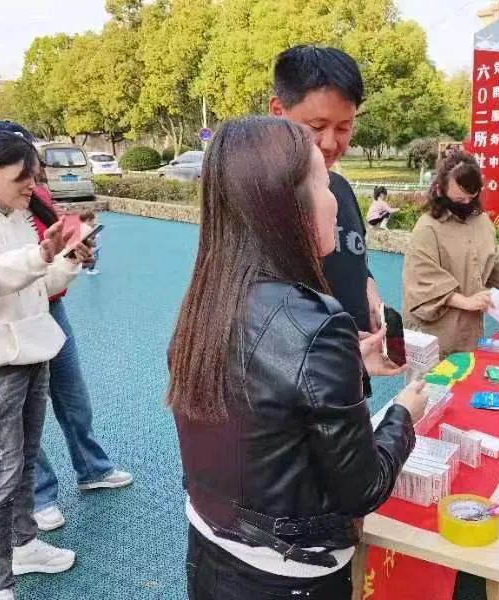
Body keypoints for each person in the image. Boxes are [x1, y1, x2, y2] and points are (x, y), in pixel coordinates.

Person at [168, 116, 427, 600]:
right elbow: (362, 488)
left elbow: (261, 399)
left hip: (208, 549)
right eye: (324, 185)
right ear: (289, 205)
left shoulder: (208, 296)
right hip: (290, 572)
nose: (335, 201)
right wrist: (403, 416)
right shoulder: (317, 322)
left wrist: (350, 366)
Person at [0, 120, 91, 600]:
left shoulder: (11, 214)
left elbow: (36, 283)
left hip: (31, 352)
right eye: (23, 176)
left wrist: (68, 259)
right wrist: (40, 255)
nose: (31, 186)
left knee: (23, 465)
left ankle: (25, 545)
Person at [270, 45, 401, 395]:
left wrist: (369, 291)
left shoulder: (340, 188)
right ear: (278, 111)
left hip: (352, 371)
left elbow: (355, 257)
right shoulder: (262, 201)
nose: (330, 143)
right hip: (300, 392)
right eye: (317, 126)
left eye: (344, 127)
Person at [27, 187, 133, 533]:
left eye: (32, 171)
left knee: (72, 395)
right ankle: (39, 495)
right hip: (11, 317)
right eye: (21, 174)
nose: (30, 181)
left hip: (51, 307)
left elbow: (58, 240)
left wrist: (75, 251)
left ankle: (92, 469)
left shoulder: (35, 194)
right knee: (23, 413)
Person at [401, 150, 499, 357]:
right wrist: (467, 302)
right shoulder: (428, 228)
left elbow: (486, 260)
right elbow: (422, 281)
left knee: (468, 372)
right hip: (435, 333)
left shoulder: (481, 221)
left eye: (472, 197)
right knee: (434, 377)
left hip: (469, 329)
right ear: (440, 190)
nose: (467, 204)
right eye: (459, 199)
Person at [78, 210, 100, 275]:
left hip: (85, 247)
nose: (94, 222)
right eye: (93, 220)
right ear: (88, 220)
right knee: (94, 257)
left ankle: (90, 268)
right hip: (87, 247)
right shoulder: (88, 228)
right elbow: (89, 238)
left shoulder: (83, 225)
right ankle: (90, 270)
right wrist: (95, 236)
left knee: (93, 256)